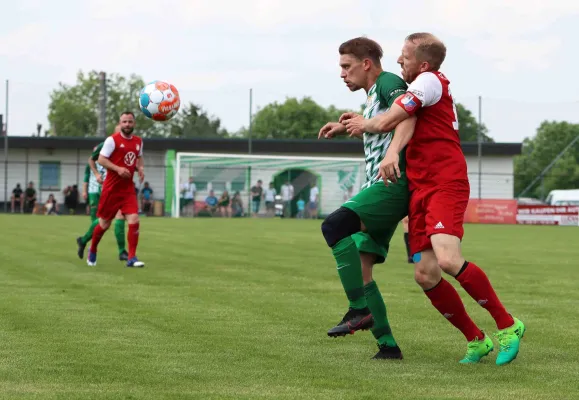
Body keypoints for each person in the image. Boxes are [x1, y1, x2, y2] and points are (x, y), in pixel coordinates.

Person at [341, 32, 525, 365]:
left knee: (448, 260)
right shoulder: (419, 85)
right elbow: (397, 122)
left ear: (423, 64)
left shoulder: (428, 81)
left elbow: (391, 119)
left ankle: (508, 325)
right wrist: (362, 128)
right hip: (420, 188)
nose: (399, 60)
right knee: (425, 273)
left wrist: (368, 126)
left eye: (405, 55)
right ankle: (476, 340)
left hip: (444, 183)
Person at [317, 37, 415, 359]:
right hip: (380, 186)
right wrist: (351, 126)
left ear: (366, 63)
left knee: (334, 226)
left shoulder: (387, 82)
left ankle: (358, 310)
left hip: (392, 186)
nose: (342, 74)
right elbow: (382, 123)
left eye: (347, 67)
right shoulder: (373, 95)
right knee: (362, 267)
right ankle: (388, 347)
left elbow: (409, 114)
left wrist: (393, 152)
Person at [88, 112, 145, 268]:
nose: (127, 124)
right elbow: (101, 159)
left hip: (127, 189)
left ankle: (131, 258)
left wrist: (140, 168)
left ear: (134, 124)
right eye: (124, 122)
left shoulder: (138, 141)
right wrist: (118, 169)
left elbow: (139, 157)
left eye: (130, 121)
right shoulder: (112, 140)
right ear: (120, 123)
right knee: (104, 224)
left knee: (134, 220)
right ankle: (93, 249)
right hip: (111, 189)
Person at [76, 134, 128, 262]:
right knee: (102, 221)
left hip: (113, 189)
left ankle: (122, 251)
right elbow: (87, 174)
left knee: (117, 216)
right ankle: (87, 243)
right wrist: (86, 189)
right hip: (97, 191)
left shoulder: (119, 150)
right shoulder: (104, 147)